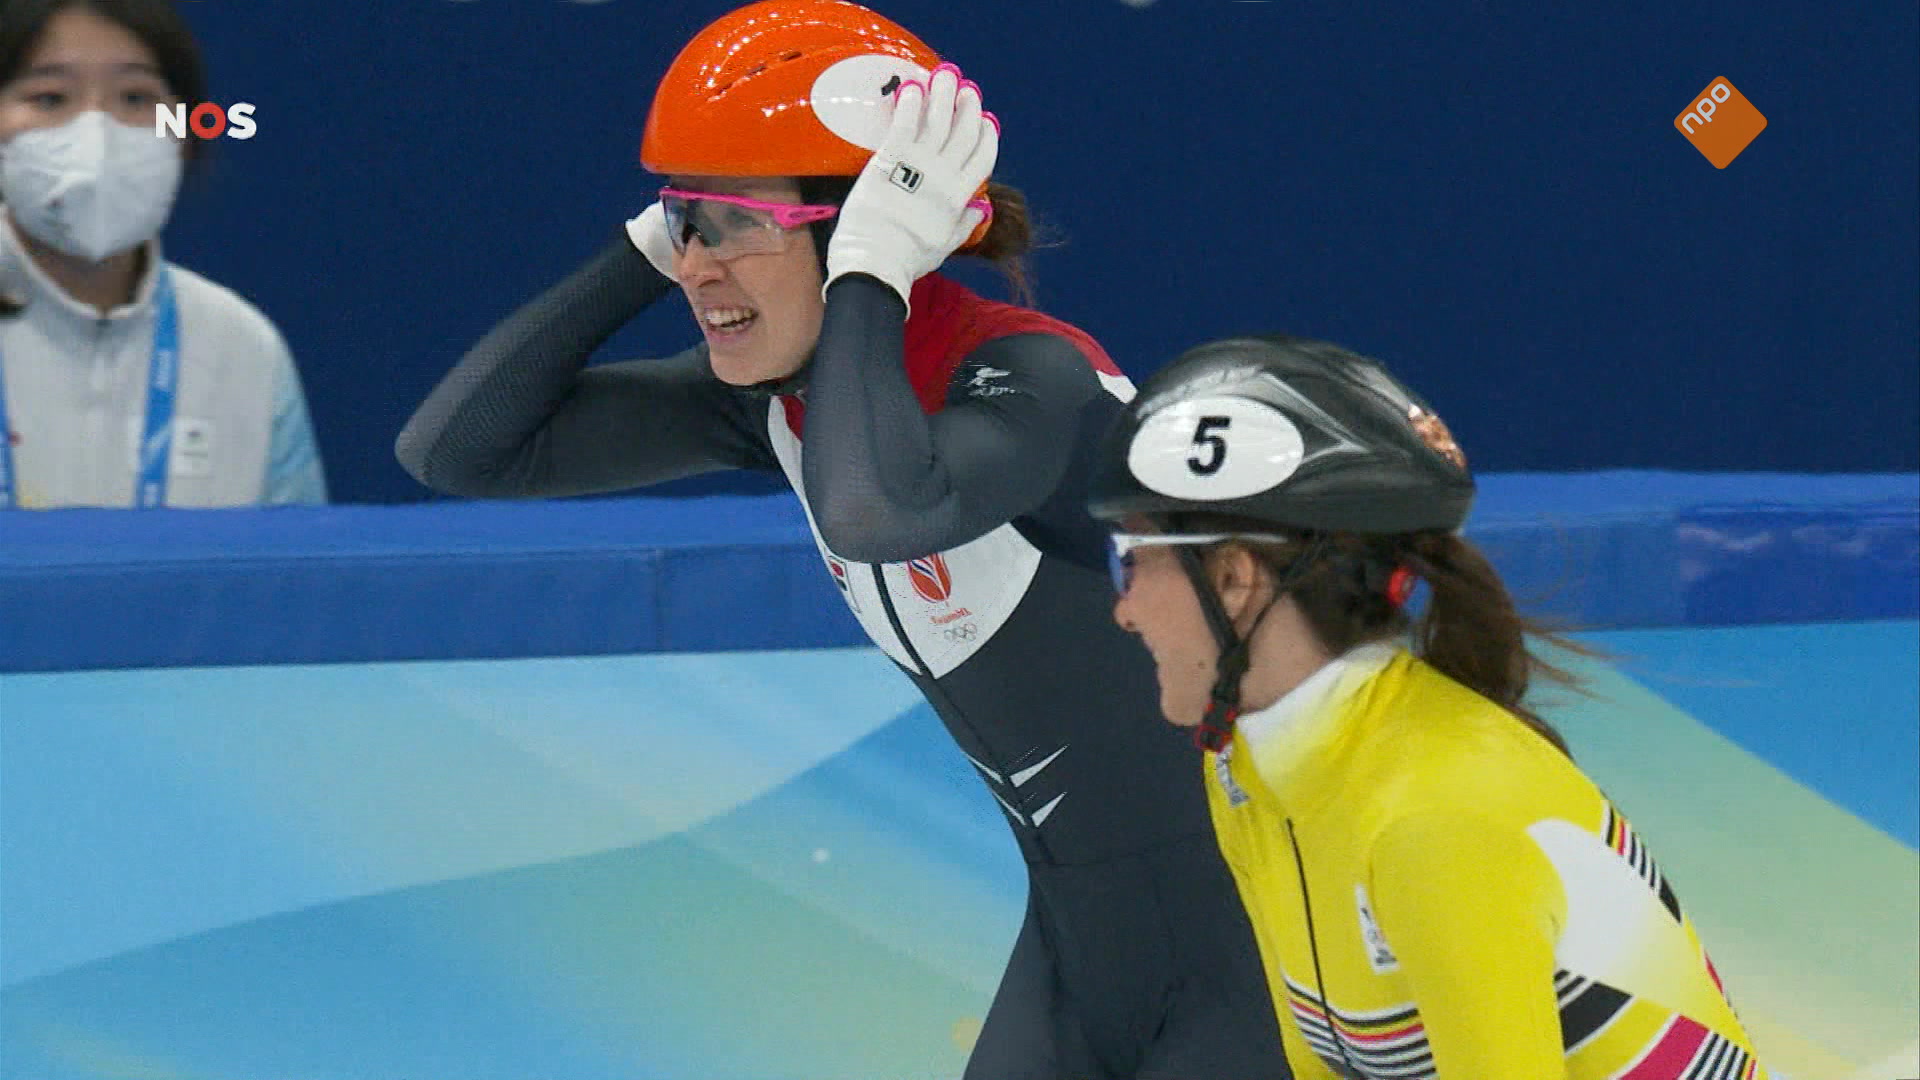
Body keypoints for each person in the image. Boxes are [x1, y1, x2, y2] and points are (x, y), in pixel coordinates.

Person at [396, 2, 1293, 1076]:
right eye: (684, 221)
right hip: (1077, 959)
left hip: (1258, 946)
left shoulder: (1030, 381)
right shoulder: (785, 405)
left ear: (870, 225)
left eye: (733, 223)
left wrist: (869, 271)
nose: (697, 267)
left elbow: (879, 513)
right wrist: (648, 250)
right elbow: (458, 451)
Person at [1086, 333, 1774, 1079]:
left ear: (1233, 578)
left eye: (1136, 561)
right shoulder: (1245, 772)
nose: (1125, 611)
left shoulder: (1435, 818)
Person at [0, 0, 325, 509]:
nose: (97, 137)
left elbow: (295, 558)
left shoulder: (241, 348)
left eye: (136, 97)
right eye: (50, 98)